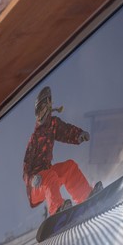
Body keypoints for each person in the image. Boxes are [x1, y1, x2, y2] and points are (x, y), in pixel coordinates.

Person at [23, 86, 93, 217]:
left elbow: (65, 130)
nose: (44, 112)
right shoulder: (35, 138)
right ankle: (57, 209)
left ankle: (85, 195)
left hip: (49, 177)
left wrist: (78, 134)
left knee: (69, 167)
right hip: (35, 185)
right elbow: (26, 167)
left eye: (47, 107)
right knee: (49, 176)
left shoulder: (53, 124)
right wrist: (32, 179)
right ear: (38, 113)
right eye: (41, 109)